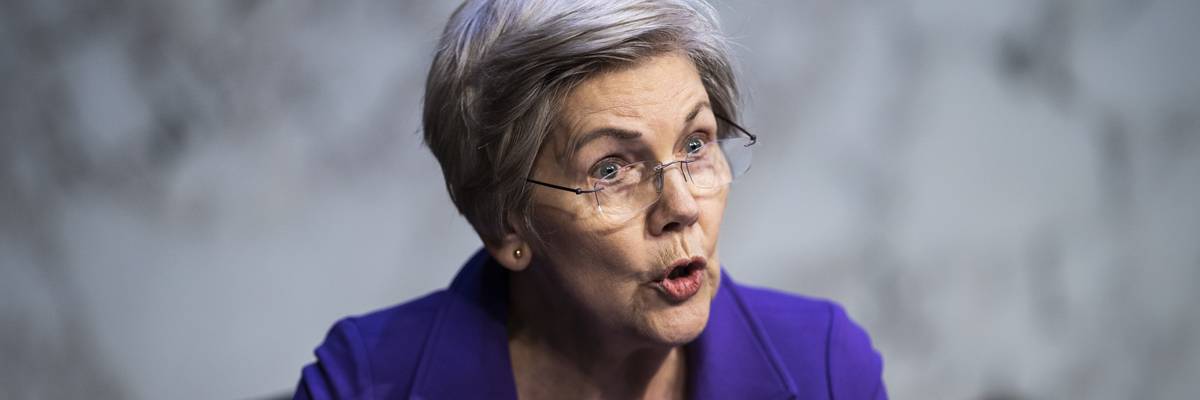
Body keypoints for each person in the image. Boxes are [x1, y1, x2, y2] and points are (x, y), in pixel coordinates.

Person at [294, 0, 886, 398]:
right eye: (611, 168)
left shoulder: (824, 368)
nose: (681, 206)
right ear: (508, 226)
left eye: (696, 143)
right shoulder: (366, 382)